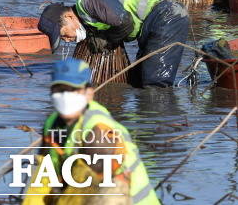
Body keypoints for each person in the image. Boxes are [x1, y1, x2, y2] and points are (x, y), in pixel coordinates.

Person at [25, 59, 159, 204]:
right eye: (59, 90)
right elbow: (43, 177)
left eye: (72, 90)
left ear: (89, 93)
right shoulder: (52, 124)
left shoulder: (99, 130)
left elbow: (94, 191)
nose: (65, 95)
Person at [38, 0, 188, 87]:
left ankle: (163, 127)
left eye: (64, 35)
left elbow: (125, 22)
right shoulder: (88, 17)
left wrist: (108, 39)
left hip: (166, 14)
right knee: (139, 77)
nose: (67, 40)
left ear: (69, 17)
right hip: (153, 21)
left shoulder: (88, 2)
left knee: (155, 82)